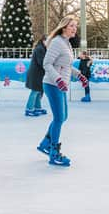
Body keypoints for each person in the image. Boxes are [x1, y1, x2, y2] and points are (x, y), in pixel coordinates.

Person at [36, 16, 88, 167]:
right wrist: (58, 80)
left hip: (61, 84)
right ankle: (54, 152)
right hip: (53, 84)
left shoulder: (66, 43)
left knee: (63, 117)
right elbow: (47, 63)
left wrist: (79, 75)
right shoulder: (57, 42)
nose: (74, 29)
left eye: (75, 26)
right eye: (72, 26)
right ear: (64, 27)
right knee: (59, 118)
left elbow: (66, 65)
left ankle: (46, 142)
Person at [24, 35, 48, 116]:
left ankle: (37, 107)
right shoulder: (39, 49)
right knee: (35, 91)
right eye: (48, 41)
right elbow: (41, 62)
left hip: (39, 73)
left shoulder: (43, 48)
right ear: (43, 40)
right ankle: (29, 108)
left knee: (39, 91)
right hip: (35, 74)